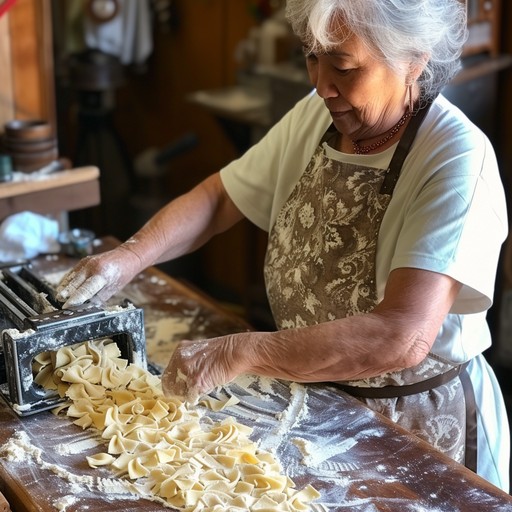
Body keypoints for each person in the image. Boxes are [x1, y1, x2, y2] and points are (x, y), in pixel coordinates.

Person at [56, 0, 510, 491]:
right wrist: (129, 257)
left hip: (419, 431)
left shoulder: (456, 159)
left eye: (343, 65)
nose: (321, 85)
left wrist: (243, 352)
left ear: (414, 59)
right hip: (314, 406)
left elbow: (401, 335)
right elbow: (218, 199)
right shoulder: (314, 120)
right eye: (312, 58)